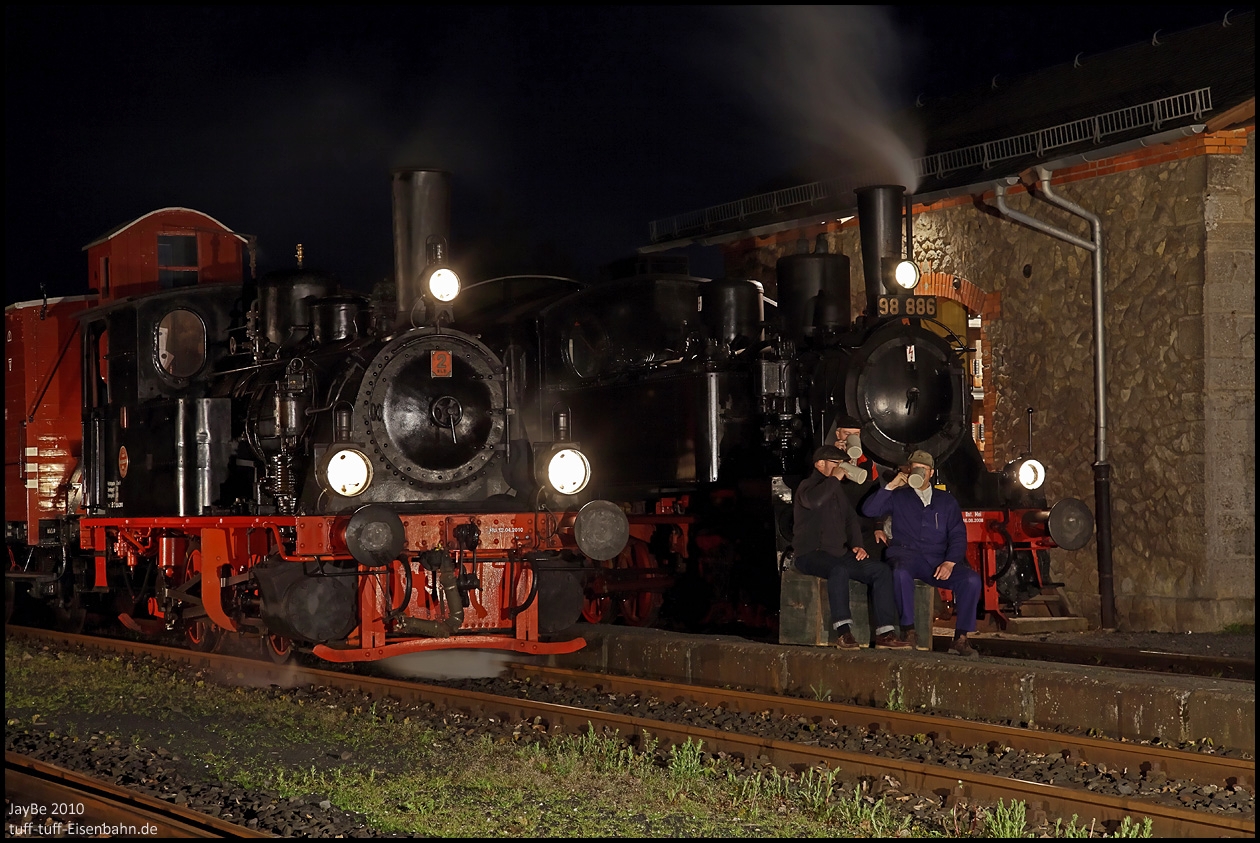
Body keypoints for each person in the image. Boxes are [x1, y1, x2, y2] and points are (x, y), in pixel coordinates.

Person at [861, 449, 982, 657]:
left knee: (971, 580)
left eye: (924, 469)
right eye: (916, 468)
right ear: (909, 471)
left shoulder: (946, 501)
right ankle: (908, 630)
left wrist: (950, 562)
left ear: (932, 472)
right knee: (900, 573)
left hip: (937, 560)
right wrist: (890, 486)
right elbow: (869, 510)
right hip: (906, 556)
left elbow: (958, 535)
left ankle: (960, 639)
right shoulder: (898, 496)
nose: (920, 473)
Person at [793, 445, 911, 650]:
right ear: (820, 464)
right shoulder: (807, 486)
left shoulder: (835, 488)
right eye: (836, 463)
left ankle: (885, 633)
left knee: (881, 571)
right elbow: (815, 501)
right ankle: (844, 633)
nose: (841, 467)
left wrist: (857, 545)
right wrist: (834, 478)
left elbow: (850, 519)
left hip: (838, 553)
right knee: (838, 570)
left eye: (842, 464)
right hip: (811, 554)